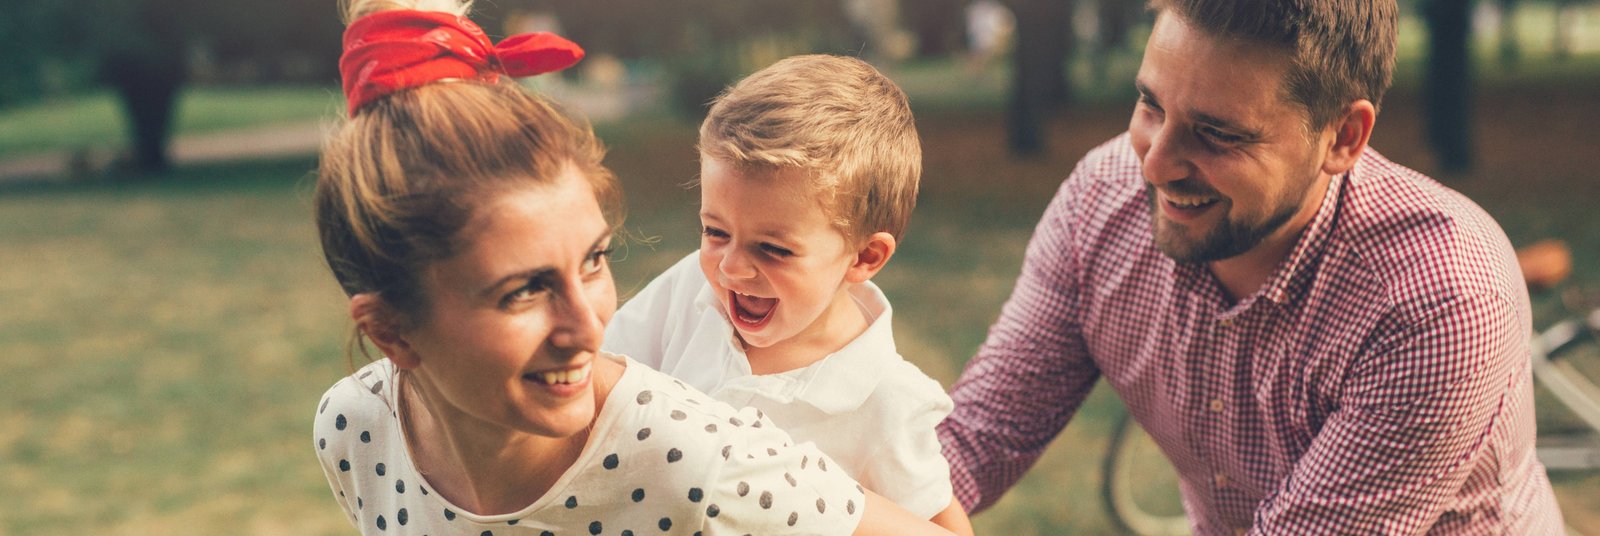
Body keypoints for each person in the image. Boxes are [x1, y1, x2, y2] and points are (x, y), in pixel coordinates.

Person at [309, 1, 954, 534]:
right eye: (526, 289)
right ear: (391, 331)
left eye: (595, 260)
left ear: (866, 257)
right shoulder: (352, 429)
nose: (591, 330)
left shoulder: (693, 453)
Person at [936, 0, 1567, 534]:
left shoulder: (1439, 295)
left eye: (1218, 134)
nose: (1154, 166)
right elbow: (972, 442)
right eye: (1151, 104)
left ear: (1344, 137)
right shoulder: (1102, 200)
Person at [602, 55, 973, 534]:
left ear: (864, 257)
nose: (732, 268)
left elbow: (944, 528)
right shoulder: (689, 290)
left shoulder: (885, 401)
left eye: (772, 248)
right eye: (715, 231)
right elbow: (603, 376)